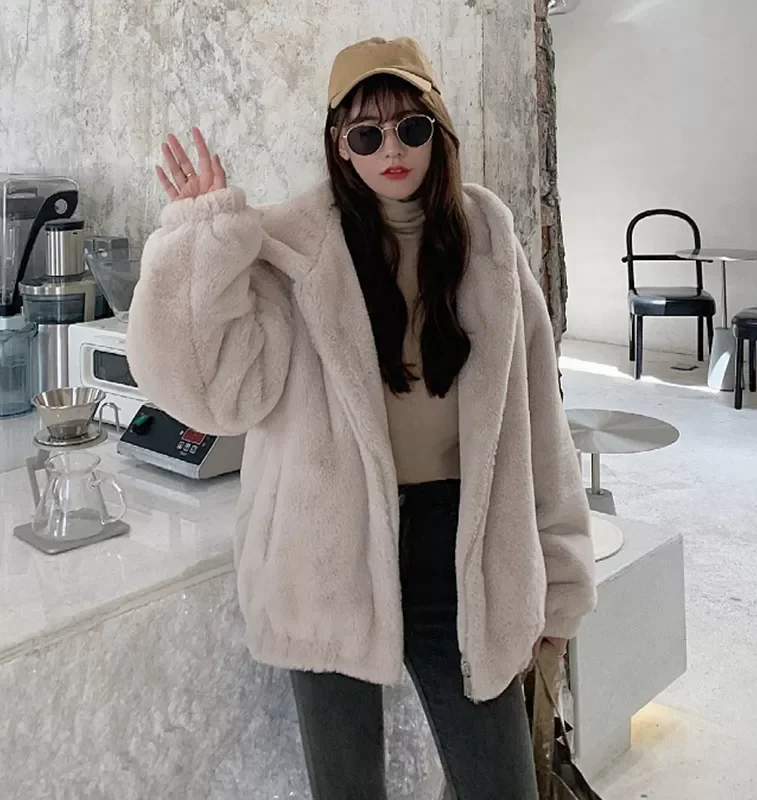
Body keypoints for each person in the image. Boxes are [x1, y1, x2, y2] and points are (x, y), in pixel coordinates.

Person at [127, 36, 596, 800]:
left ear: (439, 131)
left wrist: (561, 580)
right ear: (339, 145)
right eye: (366, 134)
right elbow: (213, 396)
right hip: (326, 558)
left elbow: (540, 425)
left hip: (463, 555)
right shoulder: (290, 251)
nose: (392, 150)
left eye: (410, 127)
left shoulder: (489, 245)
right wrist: (196, 241)